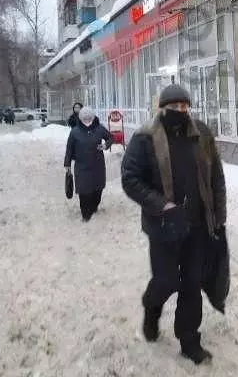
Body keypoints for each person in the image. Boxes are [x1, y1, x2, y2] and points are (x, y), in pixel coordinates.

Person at [121, 84, 226, 366]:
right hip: (164, 227)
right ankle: (151, 308)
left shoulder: (201, 134)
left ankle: (190, 340)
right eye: (174, 107)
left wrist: (219, 218)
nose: (180, 112)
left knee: (192, 284)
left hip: (197, 227)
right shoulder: (145, 137)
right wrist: (161, 205)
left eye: (184, 107)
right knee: (166, 281)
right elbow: (130, 179)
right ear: (162, 109)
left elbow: (216, 178)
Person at [64, 106, 113, 222]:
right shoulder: (75, 132)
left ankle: (94, 206)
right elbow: (69, 149)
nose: (87, 121)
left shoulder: (99, 128)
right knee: (83, 190)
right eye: (84, 119)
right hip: (81, 165)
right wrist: (67, 164)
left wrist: (105, 145)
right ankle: (85, 214)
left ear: (93, 117)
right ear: (80, 119)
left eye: (89, 118)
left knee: (98, 187)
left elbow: (111, 138)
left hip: (97, 164)